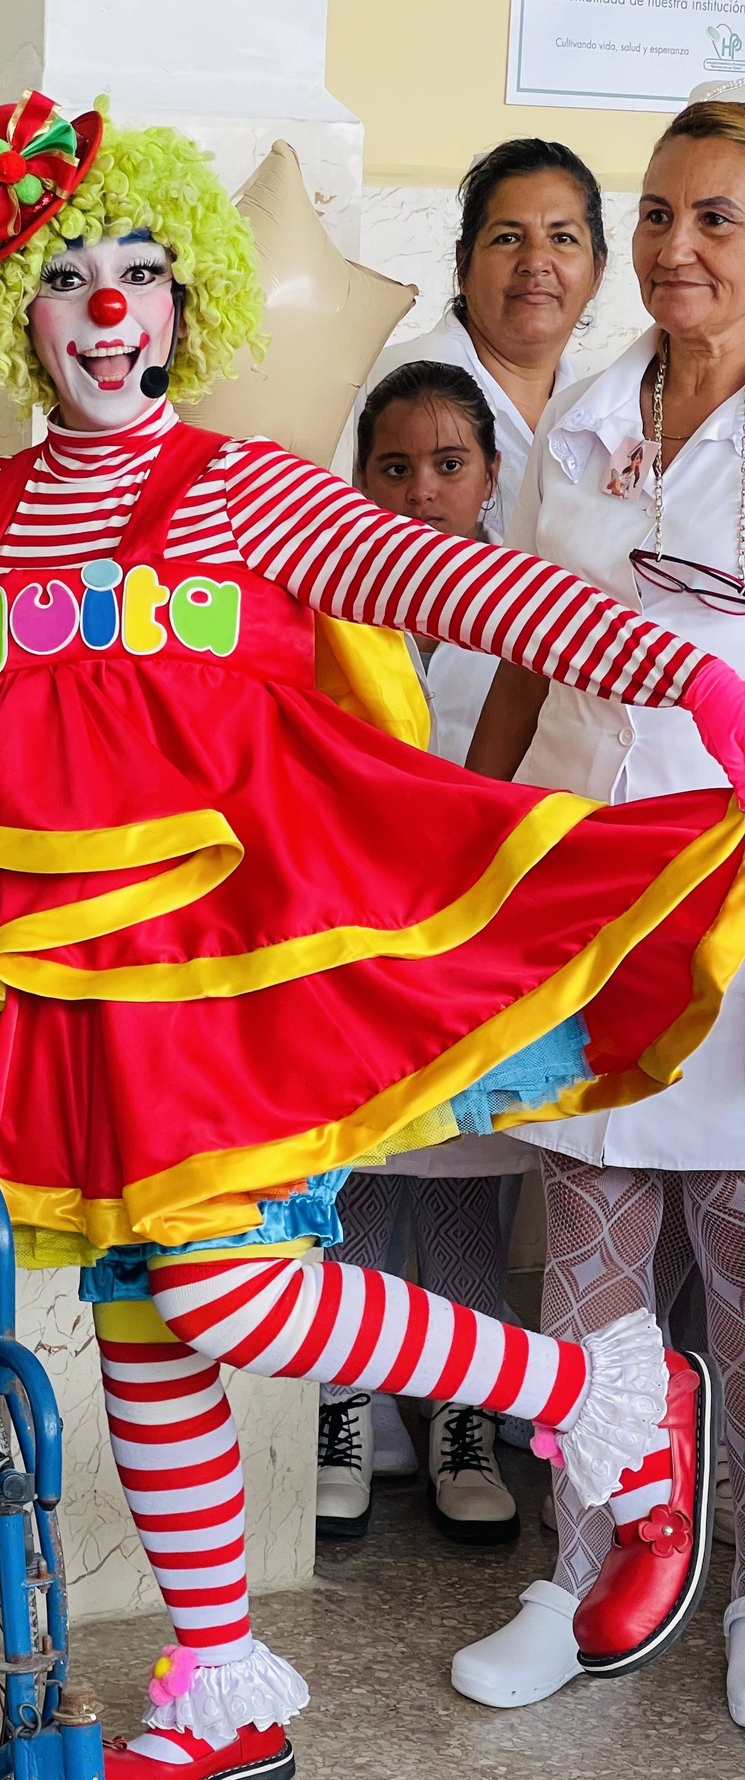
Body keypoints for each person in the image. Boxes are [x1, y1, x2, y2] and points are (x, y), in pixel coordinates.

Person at [0, 91, 745, 1780]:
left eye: (138, 269)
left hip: (205, 993)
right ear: (17, 312)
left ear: (185, 299)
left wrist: (690, 678)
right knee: (142, 1320)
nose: (107, 305)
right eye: (68, 273)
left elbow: (466, 591)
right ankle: (218, 1684)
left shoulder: (248, 489)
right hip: (44, 1008)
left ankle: (604, 1390)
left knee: (211, 1284)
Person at [460, 90, 745, 1719]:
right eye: (657, 213)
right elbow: (516, 643)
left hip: (728, 920)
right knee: (586, 1249)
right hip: (577, 891)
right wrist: (477, 846)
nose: (674, 246)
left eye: (714, 219)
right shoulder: (574, 418)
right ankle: (575, 1577)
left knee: (734, 1249)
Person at [317, 361, 532, 1545]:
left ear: (492, 477)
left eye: (450, 466)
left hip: (477, 937)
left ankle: (462, 1416)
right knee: (350, 1173)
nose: (420, 491)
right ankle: (341, 1406)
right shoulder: (329, 604)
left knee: (469, 1177)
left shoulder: (525, 607)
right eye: (393, 467)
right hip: (354, 932)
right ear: (358, 480)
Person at [369, 137, 608, 544]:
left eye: (563, 238)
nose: (535, 262)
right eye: (508, 237)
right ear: (464, 263)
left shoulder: (605, 407)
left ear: (597, 271)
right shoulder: (397, 389)